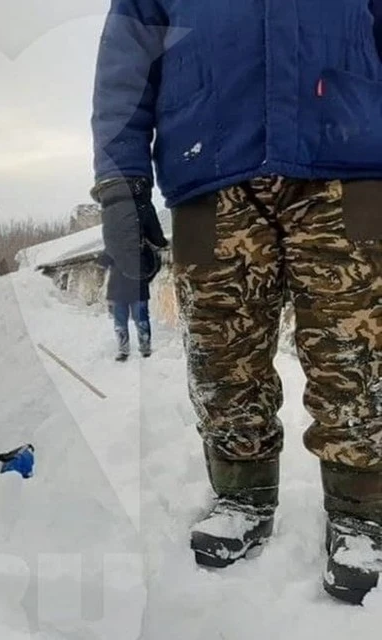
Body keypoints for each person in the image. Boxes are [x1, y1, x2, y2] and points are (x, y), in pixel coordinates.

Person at [91, 1, 382, 604]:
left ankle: (362, 510)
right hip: (209, 164)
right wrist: (121, 182)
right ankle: (241, 492)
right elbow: (127, 60)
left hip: (349, 158)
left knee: (358, 350)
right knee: (221, 352)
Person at [97, 246, 161, 361]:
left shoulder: (143, 245)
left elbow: (155, 264)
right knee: (120, 324)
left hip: (139, 291)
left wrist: (145, 280)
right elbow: (102, 261)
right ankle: (123, 351)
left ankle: (145, 349)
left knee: (142, 321)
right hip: (118, 292)